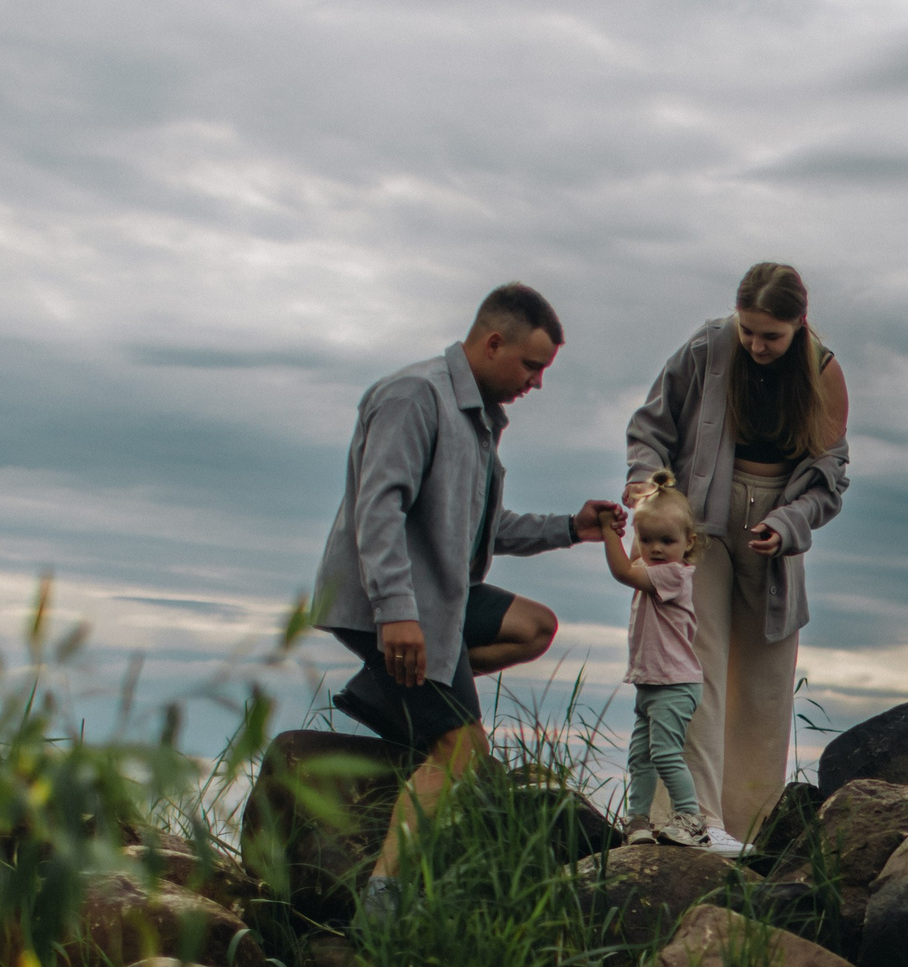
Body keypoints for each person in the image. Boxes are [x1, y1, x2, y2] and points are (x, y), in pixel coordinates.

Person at [310, 282, 622, 913]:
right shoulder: (414, 395)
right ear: (493, 341)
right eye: (531, 366)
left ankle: (390, 691)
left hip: (442, 607)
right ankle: (384, 902)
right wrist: (396, 614)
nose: (536, 383)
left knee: (535, 626)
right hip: (386, 607)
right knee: (461, 752)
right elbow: (379, 510)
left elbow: (485, 527)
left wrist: (572, 528)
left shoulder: (479, 423)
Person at [625, 262, 851, 855]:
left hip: (774, 528)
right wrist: (648, 489)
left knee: (766, 681)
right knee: (689, 666)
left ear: (800, 324)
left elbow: (829, 481)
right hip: (696, 523)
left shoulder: (825, 373)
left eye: (770, 336)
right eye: (748, 330)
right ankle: (688, 820)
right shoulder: (706, 346)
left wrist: (788, 523)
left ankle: (746, 837)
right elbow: (649, 427)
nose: (755, 345)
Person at [604, 472, 710, 848]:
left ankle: (691, 819)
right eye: (647, 539)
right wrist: (633, 517)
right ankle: (638, 821)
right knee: (641, 757)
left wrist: (607, 531)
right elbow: (632, 560)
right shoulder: (651, 567)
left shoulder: (674, 575)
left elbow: (621, 571)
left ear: (688, 542)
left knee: (665, 754)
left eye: (668, 540)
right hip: (652, 684)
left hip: (675, 685)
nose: (657, 548)